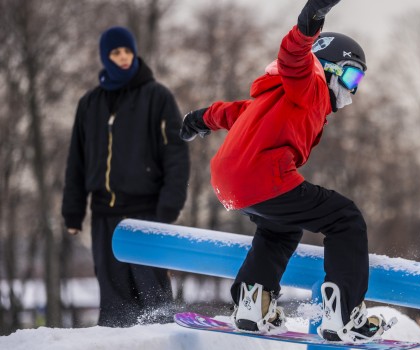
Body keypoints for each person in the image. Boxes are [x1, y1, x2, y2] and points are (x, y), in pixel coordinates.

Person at [179, 0, 394, 343]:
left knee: (280, 227)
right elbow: (294, 57)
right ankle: (344, 316)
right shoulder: (309, 84)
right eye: (352, 75)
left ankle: (254, 304)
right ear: (329, 67)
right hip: (264, 176)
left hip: (229, 181)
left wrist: (198, 120)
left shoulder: (272, 97)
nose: (353, 89)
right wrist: (310, 20)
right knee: (345, 218)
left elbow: (232, 112)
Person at [62, 26, 190, 327]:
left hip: (146, 212)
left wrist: (169, 205)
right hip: (104, 213)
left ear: (134, 53)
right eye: (116, 52)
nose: (122, 57)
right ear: (105, 57)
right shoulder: (90, 103)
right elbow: (76, 161)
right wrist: (72, 211)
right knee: (114, 299)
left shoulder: (157, 96)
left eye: (127, 51)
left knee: (153, 296)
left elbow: (176, 154)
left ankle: (161, 343)